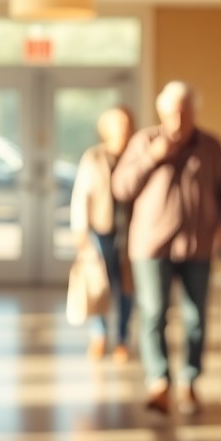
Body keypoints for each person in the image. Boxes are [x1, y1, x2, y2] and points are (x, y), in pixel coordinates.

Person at [112, 81, 221, 416]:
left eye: (184, 113)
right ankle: (159, 382)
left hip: (198, 245)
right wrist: (151, 159)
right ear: (160, 113)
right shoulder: (144, 142)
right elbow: (121, 188)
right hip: (151, 246)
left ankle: (189, 381)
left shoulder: (211, 146)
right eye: (171, 113)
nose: (178, 120)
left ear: (195, 112)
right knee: (153, 313)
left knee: (196, 316)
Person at [70, 106, 136, 363]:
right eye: (117, 124)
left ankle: (122, 339)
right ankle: (99, 335)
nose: (123, 129)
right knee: (99, 285)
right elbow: (81, 196)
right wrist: (81, 231)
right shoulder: (94, 157)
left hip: (132, 233)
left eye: (126, 123)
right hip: (102, 231)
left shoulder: (137, 155)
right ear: (105, 128)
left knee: (127, 287)